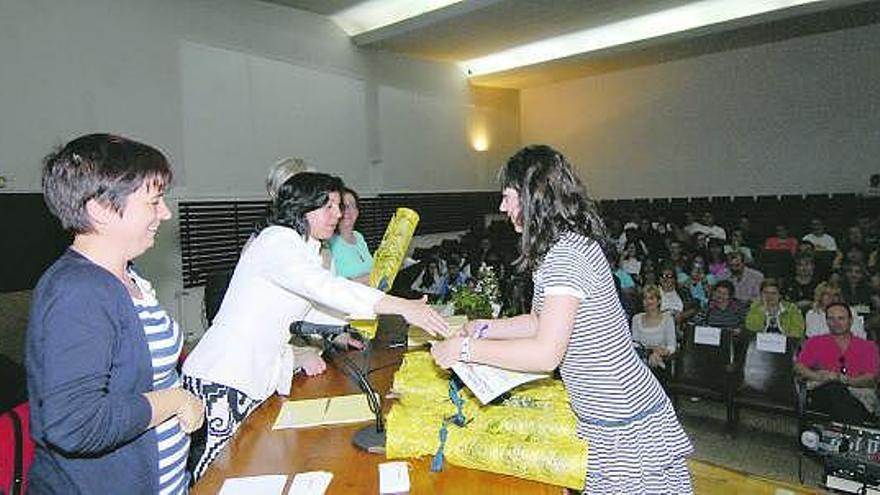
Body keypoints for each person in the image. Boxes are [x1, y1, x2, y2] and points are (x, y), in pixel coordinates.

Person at [430, 145, 693, 493]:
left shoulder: (566, 256)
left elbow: (545, 354)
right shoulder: (560, 248)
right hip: (606, 412)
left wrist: (464, 349)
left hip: (622, 417)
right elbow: (540, 321)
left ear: (533, 197)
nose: (502, 207)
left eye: (508, 197)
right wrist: (484, 328)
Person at [182, 172, 449, 480]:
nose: (338, 214)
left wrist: (351, 327)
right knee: (217, 476)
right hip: (225, 375)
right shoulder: (275, 240)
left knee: (252, 470)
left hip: (253, 377)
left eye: (339, 206)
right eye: (329, 206)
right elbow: (325, 288)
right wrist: (401, 307)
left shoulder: (306, 249)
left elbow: (320, 309)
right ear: (301, 208)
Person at [26, 134, 204, 493]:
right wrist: (176, 400)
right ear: (101, 210)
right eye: (154, 202)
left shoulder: (127, 277)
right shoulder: (78, 291)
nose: (166, 212)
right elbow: (76, 424)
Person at [795, 303, 878, 424]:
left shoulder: (868, 347)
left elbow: (871, 378)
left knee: (838, 390)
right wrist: (820, 376)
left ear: (850, 321)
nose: (836, 323)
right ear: (827, 321)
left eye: (841, 318)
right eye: (831, 318)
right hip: (822, 392)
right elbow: (799, 367)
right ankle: (851, 433)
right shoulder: (815, 342)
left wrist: (845, 380)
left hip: (857, 395)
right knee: (834, 389)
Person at [328, 187, 373, 283]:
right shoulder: (327, 242)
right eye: (343, 206)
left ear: (357, 212)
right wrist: (368, 279)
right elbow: (329, 286)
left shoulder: (359, 236)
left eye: (352, 205)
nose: (348, 210)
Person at [631, 285, 677, 370]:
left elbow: (672, 347)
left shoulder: (668, 319)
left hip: (662, 358)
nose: (648, 302)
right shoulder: (636, 318)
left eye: (651, 298)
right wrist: (651, 351)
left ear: (659, 301)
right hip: (641, 359)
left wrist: (660, 353)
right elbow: (635, 344)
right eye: (645, 298)